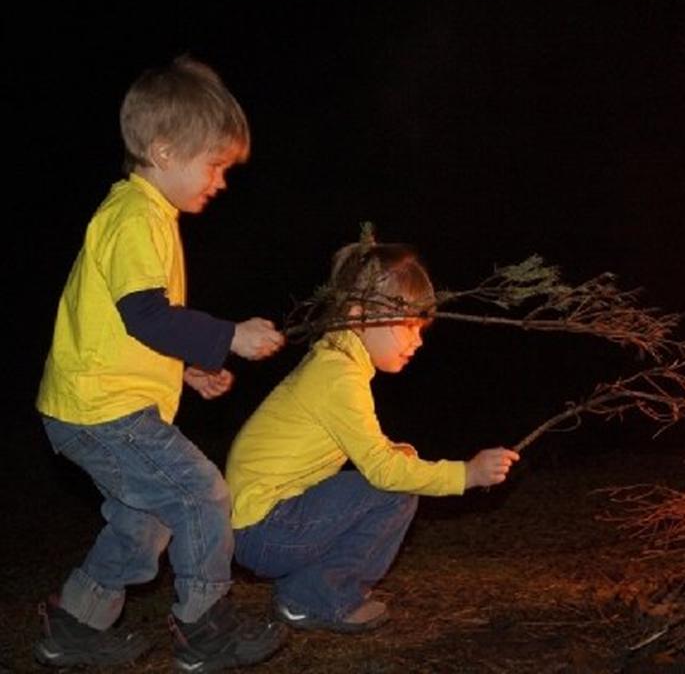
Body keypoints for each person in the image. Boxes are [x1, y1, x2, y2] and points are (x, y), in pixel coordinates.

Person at [34, 55, 286, 672]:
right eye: (215, 166)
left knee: (145, 519)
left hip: (94, 404)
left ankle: (73, 626)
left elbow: (126, 330)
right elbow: (146, 315)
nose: (220, 182)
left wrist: (186, 369)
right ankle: (206, 629)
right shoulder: (134, 217)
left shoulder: (146, 216)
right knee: (202, 493)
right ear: (166, 151)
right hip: (102, 410)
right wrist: (228, 336)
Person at [226, 236, 520, 632]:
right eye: (408, 325)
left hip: (264, 524)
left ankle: (303, 595)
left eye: (421, 328)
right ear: (359, 314)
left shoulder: (336, 363)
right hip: (266, 529)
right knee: (394, 489)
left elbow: (365, 450)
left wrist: (393, 455)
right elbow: (382, 473)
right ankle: (319, 597)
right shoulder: (338, 375)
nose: (417, 340)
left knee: (393, 476)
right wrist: (466, 474)